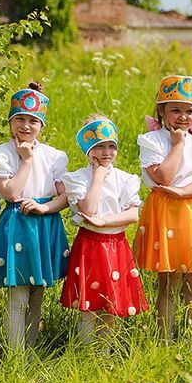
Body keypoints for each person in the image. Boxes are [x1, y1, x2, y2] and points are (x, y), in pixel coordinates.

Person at [134, 75, 192, 342]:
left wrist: (185, 192)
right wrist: (177, 145)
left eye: (190, 111)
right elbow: (163, 176)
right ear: (161, 110)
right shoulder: (152, 140)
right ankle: (164, 338)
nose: (183, 117)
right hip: (167, 211)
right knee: (169, 281)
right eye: (175, 110)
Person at [0, 83, 69, 351]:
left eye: (33, 121)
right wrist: (27, 161)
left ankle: (30, 351)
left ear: (41, 125)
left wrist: (46, 208)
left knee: (36, 296)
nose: (25, 126)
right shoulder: (0, 154)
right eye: (19, 119)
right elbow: (12, 193)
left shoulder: (54, 156)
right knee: (18, 296)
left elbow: (65, 196)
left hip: (44, 224)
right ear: (10, 122)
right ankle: (15, 353)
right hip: (18, 223)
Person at [60, 116, 148, 350]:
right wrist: (98, 177)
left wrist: (105, 221)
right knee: (89, 305)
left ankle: (105, 353)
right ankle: (86, 352)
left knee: (111, 304)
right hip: (90, 245)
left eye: (111, 146)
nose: (106, 152)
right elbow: (88, 209)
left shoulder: (125, 179)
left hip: (116, 245)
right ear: (88, 150)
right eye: (99, 146)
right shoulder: (79, 179)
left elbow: (132, 215)